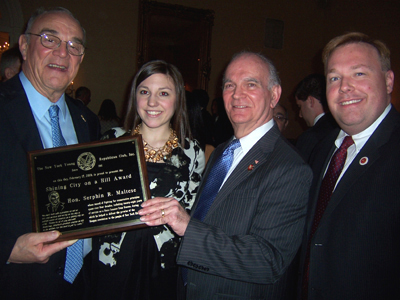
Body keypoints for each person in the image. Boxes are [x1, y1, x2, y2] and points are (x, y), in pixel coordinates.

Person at [139, 51, 312, 299]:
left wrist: (188, 227)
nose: (237, 94)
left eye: (250, 84)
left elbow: (268, 260)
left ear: (274, 95)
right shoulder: (223, 152)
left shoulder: (289, 168)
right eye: (230, 85)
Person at [0, 7, 100, 299]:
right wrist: (6, 249)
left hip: (80, 286)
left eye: (74, 46)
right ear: (23, 45)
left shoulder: (87, 120)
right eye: (49, 39)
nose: (62, 53)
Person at [298, 32, 400, 300]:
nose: (344, 87)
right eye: (334, 78)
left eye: (359, 74)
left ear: (388, 81)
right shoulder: (322, 149)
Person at [91, 60, 205, 300]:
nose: (152, 102)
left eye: (163, 93)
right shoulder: (111, 141)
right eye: (145, 92)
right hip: (113, 258)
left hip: (165, 264)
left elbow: (195, 215)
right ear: (135, 97)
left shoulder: (192, 151)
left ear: (177, 100)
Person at [294, 74, 337, 161]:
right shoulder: (343, 130)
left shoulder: (311, 137)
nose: (300, 115)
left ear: (310, 101)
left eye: (300, 106)